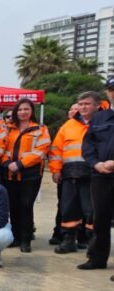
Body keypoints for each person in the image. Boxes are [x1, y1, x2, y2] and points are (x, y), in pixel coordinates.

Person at [49, 91, 99, 254]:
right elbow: (56, 149)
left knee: (91, 210)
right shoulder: (68, 125)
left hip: (94, 175)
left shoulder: (104, 124)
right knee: (68, 208)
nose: (83, 107)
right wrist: (55, 170)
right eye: (81, 104)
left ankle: (94, 243)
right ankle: (68, 240)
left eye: (87, 104)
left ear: (97, 105)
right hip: (70, 174)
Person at [0, 98, 50, 253]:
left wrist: (21, 164)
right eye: (20, 109)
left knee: (26, 205)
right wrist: (7, 163)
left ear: (31, 111)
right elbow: (0, 147)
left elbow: (42, 150)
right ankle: (15, 237)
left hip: (30, 174)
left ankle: (26, 239)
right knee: (13, 206)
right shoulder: (7, 128)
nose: (22, 112)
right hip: (9, 173)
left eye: (26, 109)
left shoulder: (41, 129)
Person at [79, 76, 114, 270]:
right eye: (111, 89)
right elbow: (88, 145)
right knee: (100, 219)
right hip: (100, 175)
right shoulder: (100, 118)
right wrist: (96, 164)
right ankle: (97, 258)